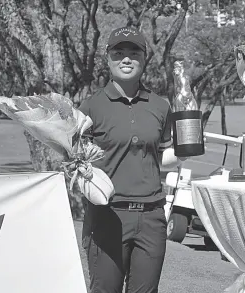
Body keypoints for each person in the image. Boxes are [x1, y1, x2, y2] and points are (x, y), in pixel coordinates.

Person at [78, 26, 187, 293]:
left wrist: (187, 149)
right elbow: (76, 161)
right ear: (107, 58)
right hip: (108, 215)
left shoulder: (160, 106)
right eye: (119, 53)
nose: (126, 59)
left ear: (144, 57)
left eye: (133, 52)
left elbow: (162, 156)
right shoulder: (90, 107)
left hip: (152, 217)